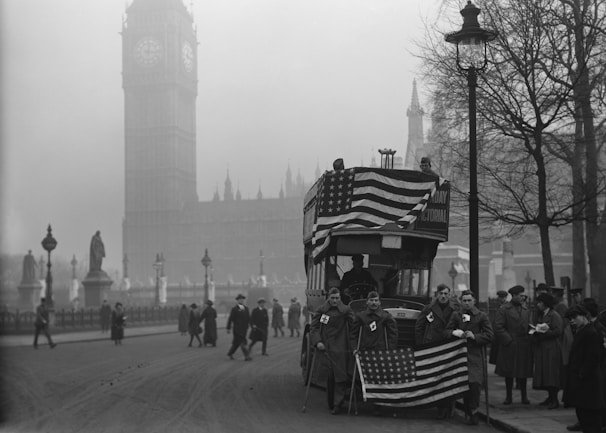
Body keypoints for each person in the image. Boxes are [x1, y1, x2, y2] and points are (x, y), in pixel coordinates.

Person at [446, 290, 493, 425]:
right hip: (459, 355)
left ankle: (473, 411)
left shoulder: (481, 316)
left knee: (474, 384)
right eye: (464, 300)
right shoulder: (456, 315)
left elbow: (490, 335)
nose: (466, 303)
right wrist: (456, 332)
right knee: (463, 385)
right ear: (461, 301)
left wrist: (475, 336)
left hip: (475, 355)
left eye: (469, 300)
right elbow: (446, 332)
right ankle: (467, 409)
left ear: (474, 301)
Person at [414, 283, 459, 419]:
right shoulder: (429, 309)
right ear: (436, 295)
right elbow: (419, 328)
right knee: (434, 377)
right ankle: (437, 405)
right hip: (432, 346)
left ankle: (446, 406)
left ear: (449, 295)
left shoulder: (455, 310)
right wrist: (421, 346)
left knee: (447, 377)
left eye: (446, 294)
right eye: (441, 294)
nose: (443, 296)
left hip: (448, 346)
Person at [351, 291, 398, 417]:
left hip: (380, 352)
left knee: (380, 379)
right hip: (365, 352)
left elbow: (393, 335)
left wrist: (391, 350)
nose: (374, 303)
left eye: (376, 300)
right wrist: (355, 348)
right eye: (371, 300)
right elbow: (353, 335)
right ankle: (365, 400)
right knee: (364, 378)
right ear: (367, 302)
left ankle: (378, 405)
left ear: (379, 302)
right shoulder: (360, 317)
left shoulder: (386, 317)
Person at [309, 287, 355, 415]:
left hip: (340, 347)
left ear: (340, 298)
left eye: (337, 298)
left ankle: (337, 404)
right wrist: (317, 341)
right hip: (325, 346)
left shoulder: (346, 311)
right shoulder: (322, 310)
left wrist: (353, 344)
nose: (335, 301)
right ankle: (332, 401)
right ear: (328, 298)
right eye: (333, 298)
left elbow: (353, 327)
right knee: (328, 376)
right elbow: (314, 327)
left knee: (340, 377)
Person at [563, 305, 605, 433]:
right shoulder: (582, 330)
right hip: (582, 383)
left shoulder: (591, 332)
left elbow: (593, 358)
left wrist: (582, 374)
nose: (572, 321)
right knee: (584, 417)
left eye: (574, 317)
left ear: (584, 316)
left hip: (588, 383)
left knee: (590, 420)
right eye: (570, 318)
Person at [494, 285, 533, 405]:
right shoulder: (504, 309)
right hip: (510, 345)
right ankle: (509, 396)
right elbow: (498, 327)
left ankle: (524, 396)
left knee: (523, 372)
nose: (523, 298)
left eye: (523, 295)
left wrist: (533, 331)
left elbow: (529, 325)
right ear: (514, 296)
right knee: (509, 372)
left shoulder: (526, 310)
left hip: (523, 344)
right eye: (520, 296)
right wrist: (508, 340)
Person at [531, 292, 563, 409]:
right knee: (546, 374)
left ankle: (554, 400)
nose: (538, 304)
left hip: (551, 348)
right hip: (543, 348)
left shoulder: (554, 315)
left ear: (545, 304)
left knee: (552, 374)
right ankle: (550, 397)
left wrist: (544, 332)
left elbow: (558, 331)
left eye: (540, 302)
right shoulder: (542, 315)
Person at [226, 294, 251, 361]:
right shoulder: (234, 309)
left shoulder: (246, 309)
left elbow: (249, 318)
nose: (241, 300)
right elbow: (230, 319)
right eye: (240, 299)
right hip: (237, 329)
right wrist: (228, 328)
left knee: (236, 343)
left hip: (244, 329)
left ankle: (230, 353)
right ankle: (247, 356)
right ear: (237, 300)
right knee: (242, 342)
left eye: (242, 299)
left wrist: (252, 325)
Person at [489, 290, 509, 365]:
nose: (502, 299)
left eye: (503, 297)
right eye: (501, 297)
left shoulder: (507, 307)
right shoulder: (496, 305)